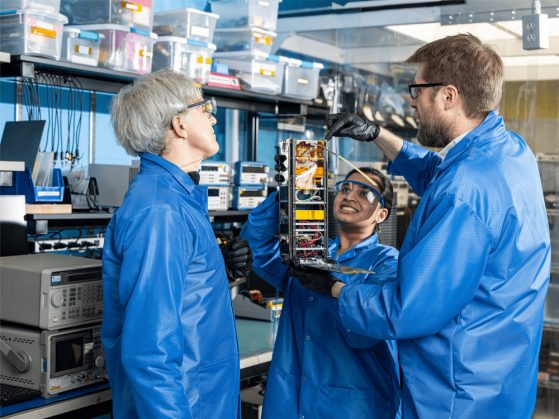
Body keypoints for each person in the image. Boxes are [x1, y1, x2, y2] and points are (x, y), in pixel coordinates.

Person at [295, 34, 551, 418]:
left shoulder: (465, 190)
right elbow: (439, 173)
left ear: (448, 96)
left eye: (417, 90)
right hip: (502, 377)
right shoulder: (509, 151)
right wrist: (376, 134)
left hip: (456, 391)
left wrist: (333, 288)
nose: (411, 101)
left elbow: (406, 310)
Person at [102, 69, 251, 419]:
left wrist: (217, 272)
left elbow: (181, 302)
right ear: (179, 124)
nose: (213, 117)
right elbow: (148, 353)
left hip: (203, 399)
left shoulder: (177, 199)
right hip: (184, 406)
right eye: (205, 108)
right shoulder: (160, 211)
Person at [240, 167, 401, 419]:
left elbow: (368, 331)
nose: (349, 196)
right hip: (289, 401)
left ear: (381, 214)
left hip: (350, 407)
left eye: (364, 193)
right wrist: (286, 195)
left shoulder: (387, 264)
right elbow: (256, 247)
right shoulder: (311, 250)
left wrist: (329, 288)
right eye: (345, 189)